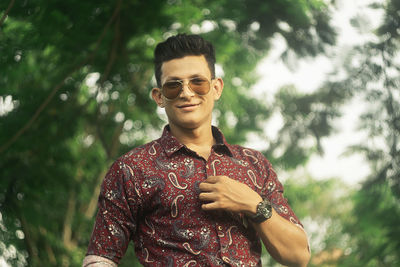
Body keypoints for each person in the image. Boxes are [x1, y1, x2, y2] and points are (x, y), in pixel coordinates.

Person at [83, 33, 310, 267]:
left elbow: (298, 256)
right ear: (159, 97)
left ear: (216, 88)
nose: (187, 93)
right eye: (173, 86)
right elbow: (101, 258)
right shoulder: (131, 169)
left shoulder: (254, 164)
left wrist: (253, 204)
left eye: (197, 82)